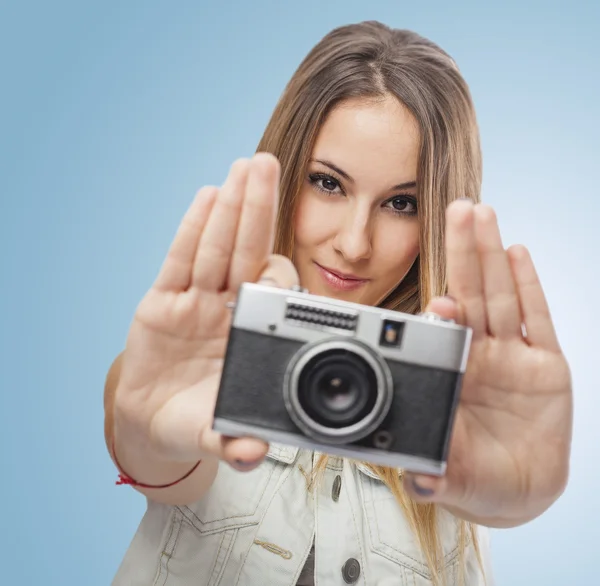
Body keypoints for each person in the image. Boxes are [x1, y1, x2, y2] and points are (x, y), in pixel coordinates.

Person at [104, 21, 572, 585]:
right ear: (286, 170)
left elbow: (493, 499)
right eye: (328, 184)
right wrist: (142, 432)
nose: (354, 244)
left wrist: (521, 497)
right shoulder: (193, 362)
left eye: (402, 203)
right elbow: (156, 454)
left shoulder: (463, 394)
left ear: (436, 220)